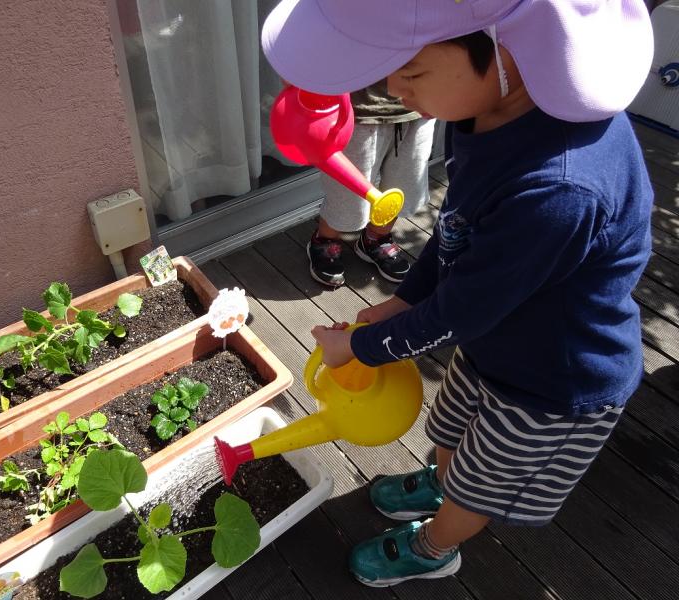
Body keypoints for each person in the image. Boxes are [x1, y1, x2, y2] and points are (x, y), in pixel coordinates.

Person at [262, 0, 653, 588]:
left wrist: (364, 347)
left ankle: (435, 547)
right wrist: (405, 300)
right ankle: (444, 482)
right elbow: (457, 232)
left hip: (552, 383)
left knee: (480, 487)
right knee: (450, 432)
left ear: (506, 53)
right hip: (495, 343)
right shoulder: (486, 113)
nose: (393, 89)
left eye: (412, 72)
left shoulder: (559, 190)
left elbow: (465, 310)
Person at [309, 83, 435, 287]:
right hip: (360, 108)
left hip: (419, 107)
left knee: (403, 185)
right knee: (347, 193)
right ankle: (325, 239)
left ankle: (375, 239)